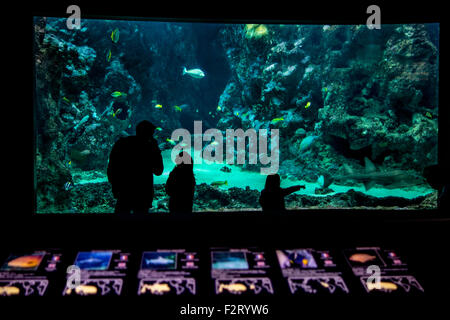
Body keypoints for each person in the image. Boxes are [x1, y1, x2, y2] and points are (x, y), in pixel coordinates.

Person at [107, 120, 163, 214]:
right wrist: (156, 150)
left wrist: (115, 187)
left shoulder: (121, 144)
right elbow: (158, 171)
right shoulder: (150, 147)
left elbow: (111, 168)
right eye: (151, 134)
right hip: (143, 193)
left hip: (123, 191)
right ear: (150, 134)